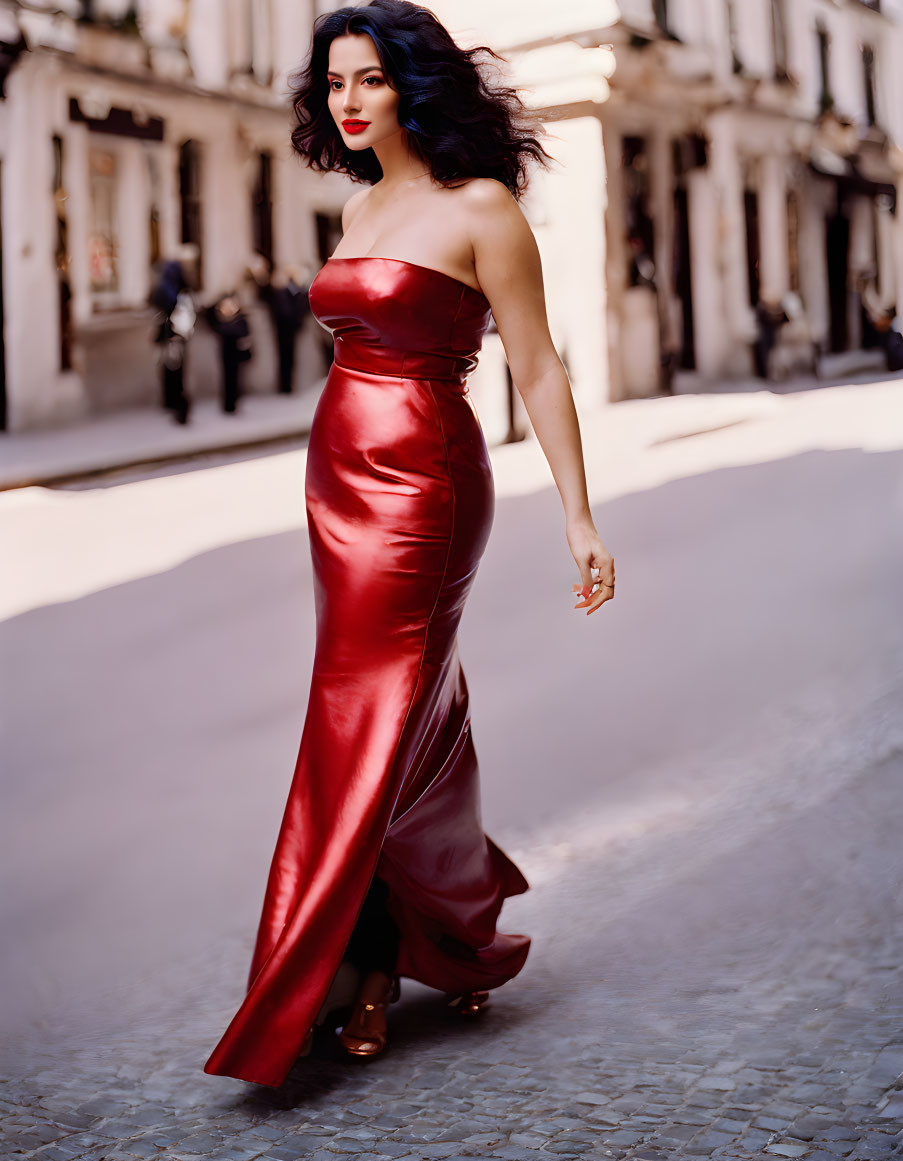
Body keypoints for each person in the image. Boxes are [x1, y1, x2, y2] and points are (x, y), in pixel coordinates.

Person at [204, 0, 615, 1089]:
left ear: (411, 85)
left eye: (368, 80)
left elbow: (539, 366)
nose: (347, 100)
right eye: (334, 82)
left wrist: (578, 516)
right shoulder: (360, 205)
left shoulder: (482, 207)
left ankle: (360, 969)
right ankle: (445, 930)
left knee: (366, 720)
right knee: (390, 714)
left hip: (428, 484)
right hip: (337, 480)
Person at [149, 258, 196, 425]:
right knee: (174, 372)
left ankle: (177, 406)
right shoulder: (176, 291)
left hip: (174, 338)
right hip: (175, 338)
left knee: (174, 372)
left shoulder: (171, 291)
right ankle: (175, 405)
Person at [262, 265, 312, 393]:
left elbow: (304, 308)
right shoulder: (282, 293)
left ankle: (288, 385)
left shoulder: (301, 292)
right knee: (285, 357)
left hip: (292, 329)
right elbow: (284, 311)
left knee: (291, 358)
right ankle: (285, 386)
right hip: (284, 330)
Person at [206, 291, 253, 413]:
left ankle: (234, 403)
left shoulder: (240, 321)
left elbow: (246, 338)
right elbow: (209, 314)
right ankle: (228, 405)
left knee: (236, 379)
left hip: (237, 356)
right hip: (226, 355)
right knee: (227, 379)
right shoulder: (221, 322)